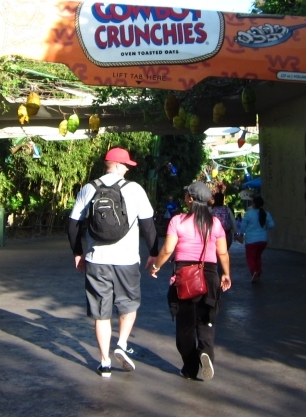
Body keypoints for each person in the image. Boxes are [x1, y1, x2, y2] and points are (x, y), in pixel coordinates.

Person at [67, 147, 158, 378]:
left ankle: (105, 362)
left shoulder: (88, 188)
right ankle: (122, 343)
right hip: (127, 260)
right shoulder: (135, 189)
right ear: (116, 165)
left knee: (101, 312)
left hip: (97, 259)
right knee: (129, 304)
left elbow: (73, 224)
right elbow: (148, 224)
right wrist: (153, 253)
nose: (128, 168)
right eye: (126, 165)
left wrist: (78, 252)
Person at [147, 181, 232, 380]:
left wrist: (156, 267)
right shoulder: (215, 223)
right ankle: (205, 353)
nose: (185, 197)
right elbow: (223, 253)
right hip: (209, 275)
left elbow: (168, 250)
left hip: (185, 276)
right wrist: (226, 274)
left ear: (191, 199)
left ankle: (190, 367)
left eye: (186, 195)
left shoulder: (178, 221)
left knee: (185, 326)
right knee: (206, 320)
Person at [240, 195, 274, 284]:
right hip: (263, 239)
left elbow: (243, 227)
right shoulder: (266, 214)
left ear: (254, 204)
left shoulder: (248, 214)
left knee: (250, 257)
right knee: (258, 256)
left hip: (251, 240)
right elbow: (272, 225)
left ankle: (254, 271)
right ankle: (258, 273)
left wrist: (241, 234)